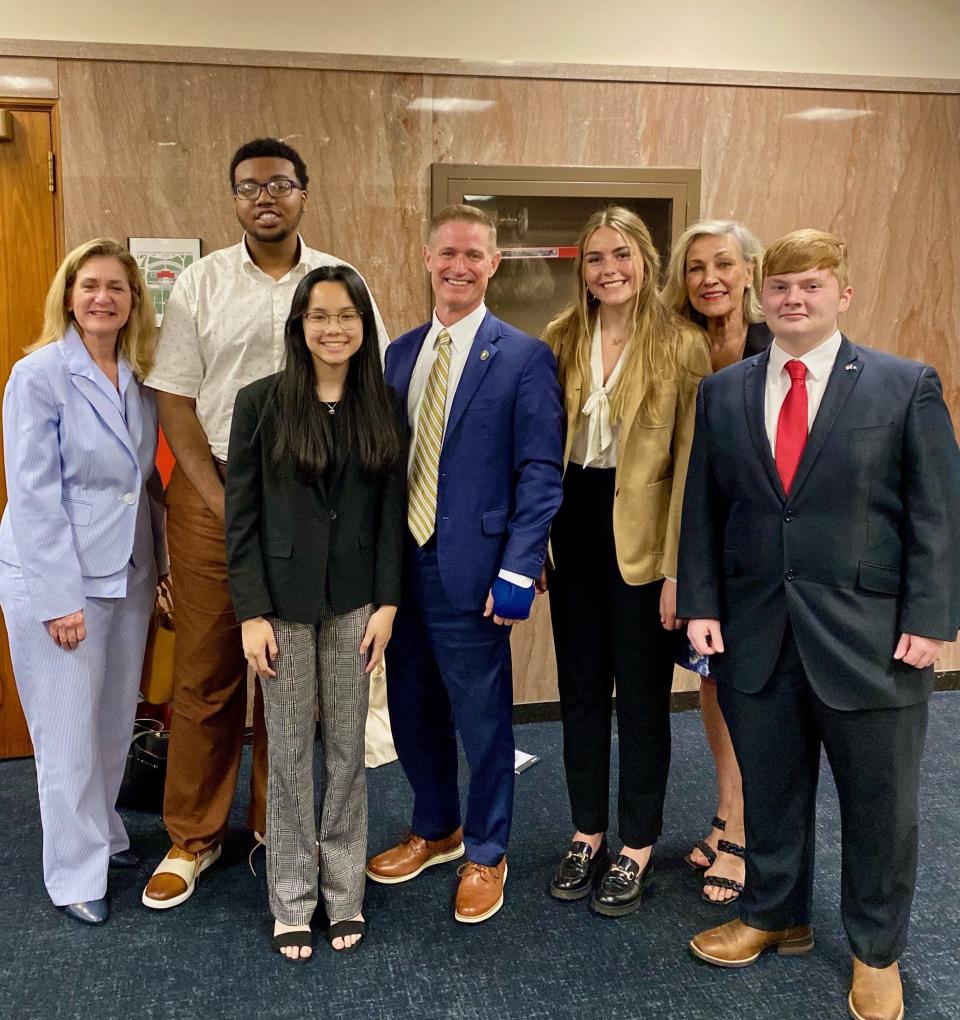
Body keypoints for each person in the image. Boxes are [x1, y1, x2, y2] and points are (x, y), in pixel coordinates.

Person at [679, 230, 960, 1020]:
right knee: (770, 790)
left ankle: (877, 952)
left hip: (874, 639)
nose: (793, 298)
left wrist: (932, 619)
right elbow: (703, 507)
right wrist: (700, 602)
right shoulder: (725, 391)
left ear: (843, 293)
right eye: (780, 286)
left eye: (811, 284)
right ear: (761, 297)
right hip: (757, 631)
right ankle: (776, 915)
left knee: (880, 806)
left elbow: (938, 514)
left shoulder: (905, 386)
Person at [142, 137, 389, 910]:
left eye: (280, 184)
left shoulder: (338, 281)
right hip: (214, 485)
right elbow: (176, 398)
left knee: (289, 678)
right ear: (234, 199)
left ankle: (268, 830)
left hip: (315, 497)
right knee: (210, 669)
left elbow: (369, 385)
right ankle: (192, 837)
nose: (265, 198)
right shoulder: (202, 284)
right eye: (249, 187)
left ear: (304, 194)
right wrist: (220, 498)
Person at [366, 204, 563, 924]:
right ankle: (436, 828)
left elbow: (540, 473)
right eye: (447, 253)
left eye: (473, 255)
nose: (458, 265)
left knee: (482, 721)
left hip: (476, 573)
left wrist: (517, 568)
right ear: (426, 258)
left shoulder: (523, 356)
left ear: (494, 266)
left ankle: (486, 850)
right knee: (413, 710)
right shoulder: (398, 354)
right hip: (403, 568)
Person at [225, 265, 403, 961]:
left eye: (347, 316)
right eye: (320, 316)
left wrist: (387, 602)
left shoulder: (382, 402)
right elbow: (240, 518)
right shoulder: (260, 403)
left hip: (356, 604)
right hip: (283, 608)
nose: (334, 328)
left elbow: (391, 512)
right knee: (291, 753)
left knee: (348, 752)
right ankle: (292, 898)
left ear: (364, 325)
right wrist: (252, 612)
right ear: (299, 326)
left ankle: (344, 892)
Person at [542, 207, 710, 916]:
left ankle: (637, 841)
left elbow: (692, 469)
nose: (608, 269)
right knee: (579, 692)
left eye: (622, 255)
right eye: (594, 258)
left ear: (645, 259)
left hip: (645, 536)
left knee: (641, 700)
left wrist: (678, 569)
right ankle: (589, 831)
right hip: (572, 524)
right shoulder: (558, 339)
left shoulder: (683, 345)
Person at [0, 238, 166, 925]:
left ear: (133, 302)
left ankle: (105, 835)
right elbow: (33, 495)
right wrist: (58, 597)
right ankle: (73, 874)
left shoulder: (137, 372)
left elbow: (145, 483)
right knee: (65, 732)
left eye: (117, 288)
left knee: (107, 724)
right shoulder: (39, 373)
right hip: (60, 581)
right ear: (68, 296)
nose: (103, 298)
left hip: (126, 572)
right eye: (89, 285)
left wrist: (161, 567)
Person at [661, 219, 770, 904]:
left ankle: (745, 831)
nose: (709, 279)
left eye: (723, 264)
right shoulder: (676, 344)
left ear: (750, 271)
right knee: (713, 682)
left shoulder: (777, 341)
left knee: (757, 691)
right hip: (699, 539)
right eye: (696, 267)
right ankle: (729, 810)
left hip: (763, 546)